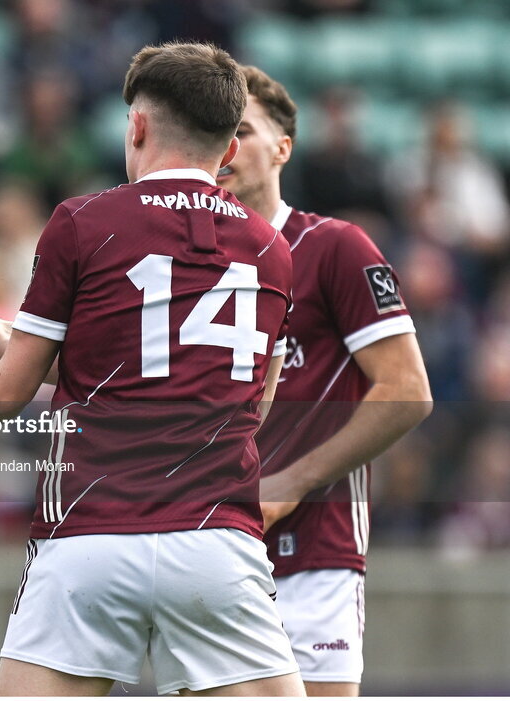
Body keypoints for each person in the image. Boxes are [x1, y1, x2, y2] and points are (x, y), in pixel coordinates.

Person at [0, 42, 304, 696]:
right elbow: (257, 405)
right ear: (229, 148)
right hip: (215, 540)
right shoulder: (273, 248)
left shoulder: (82, 221)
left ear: (136, 127)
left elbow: (11, 390)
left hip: (89, 535)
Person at [217, 64, 432, 696]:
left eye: (244, 132)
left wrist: (292, 481)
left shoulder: (335, 246)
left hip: (313, 551)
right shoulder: (180, 264)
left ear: (283, 147)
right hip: (201, 550)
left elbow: (407, 391)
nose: (226, 149)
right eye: (216, 134)